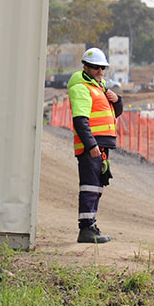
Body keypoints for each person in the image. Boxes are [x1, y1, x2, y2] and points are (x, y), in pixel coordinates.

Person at [68, 48, 123, 243]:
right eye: (96, 67)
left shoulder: (100, 87)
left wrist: (118, 100)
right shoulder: (82, 88)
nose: (100, 71)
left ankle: (91, 225)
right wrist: (91, 145)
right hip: (92, 146)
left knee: (97, 187)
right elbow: (80, 120)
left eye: (103, 67)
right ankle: (86, 230)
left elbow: (114, 113)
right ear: (86, 67)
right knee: (89, 187)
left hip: (101, 145)